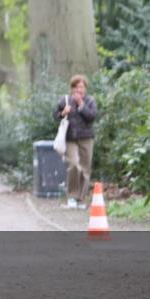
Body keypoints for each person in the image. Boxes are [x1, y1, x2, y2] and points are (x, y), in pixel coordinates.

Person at [54, 75, 98, 209]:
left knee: (85, 168)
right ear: (72, 88)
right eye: (77, 87)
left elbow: (92, 117)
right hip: (70, 138)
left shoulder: (90, 101)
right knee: (73, 164)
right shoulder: (65, 100)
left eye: (82, 87)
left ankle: (81, 199)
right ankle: (72, 196)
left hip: (86, 137)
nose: (80, 90)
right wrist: (62, 113)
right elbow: (55, 116)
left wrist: (81, 105)